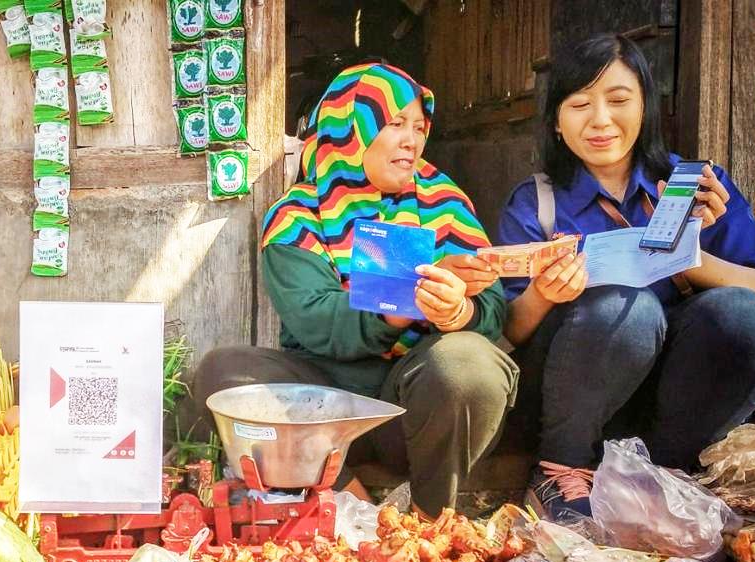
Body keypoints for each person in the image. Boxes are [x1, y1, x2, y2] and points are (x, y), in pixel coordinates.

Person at [193, 63, 518, 518]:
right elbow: (316, 319)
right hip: (323, 409)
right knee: (224, 373)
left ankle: (430, 523)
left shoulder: (444, 201)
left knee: (468, 363)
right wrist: (404, 302)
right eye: (394, 123)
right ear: (350, 128)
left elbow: (493, 309)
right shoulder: (297, 217)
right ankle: (346, 496)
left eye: (419, 127)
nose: (412, 140)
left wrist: (457, 312)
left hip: (417, 407)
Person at [498, 33, 755, 523]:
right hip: (575, 403)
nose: (601, 120)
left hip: (671, 406)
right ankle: (559, 469)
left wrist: (687, 258)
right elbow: (508, 331)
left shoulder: (694, 189)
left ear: (646, 106)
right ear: (556, 122)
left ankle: (661, 472)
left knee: (743, 315)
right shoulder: (538, 204)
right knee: (624, 308)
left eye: (618, 100)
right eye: (580, 104)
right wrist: (546, 294)